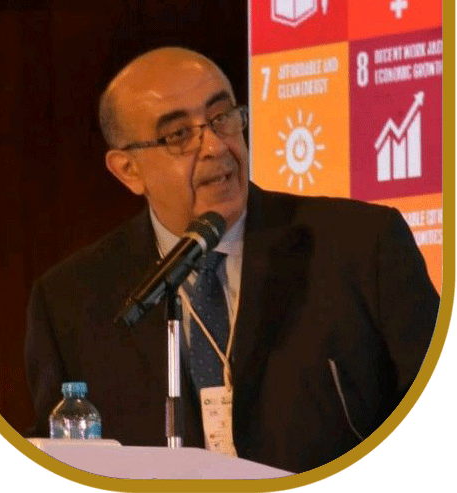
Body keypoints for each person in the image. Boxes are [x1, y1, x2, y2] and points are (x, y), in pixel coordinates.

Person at [25, 47, 440, 473]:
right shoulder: (70, 302)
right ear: (128, 169)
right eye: (178, 135)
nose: (214, 145)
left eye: (222, 117)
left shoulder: (360, 244)